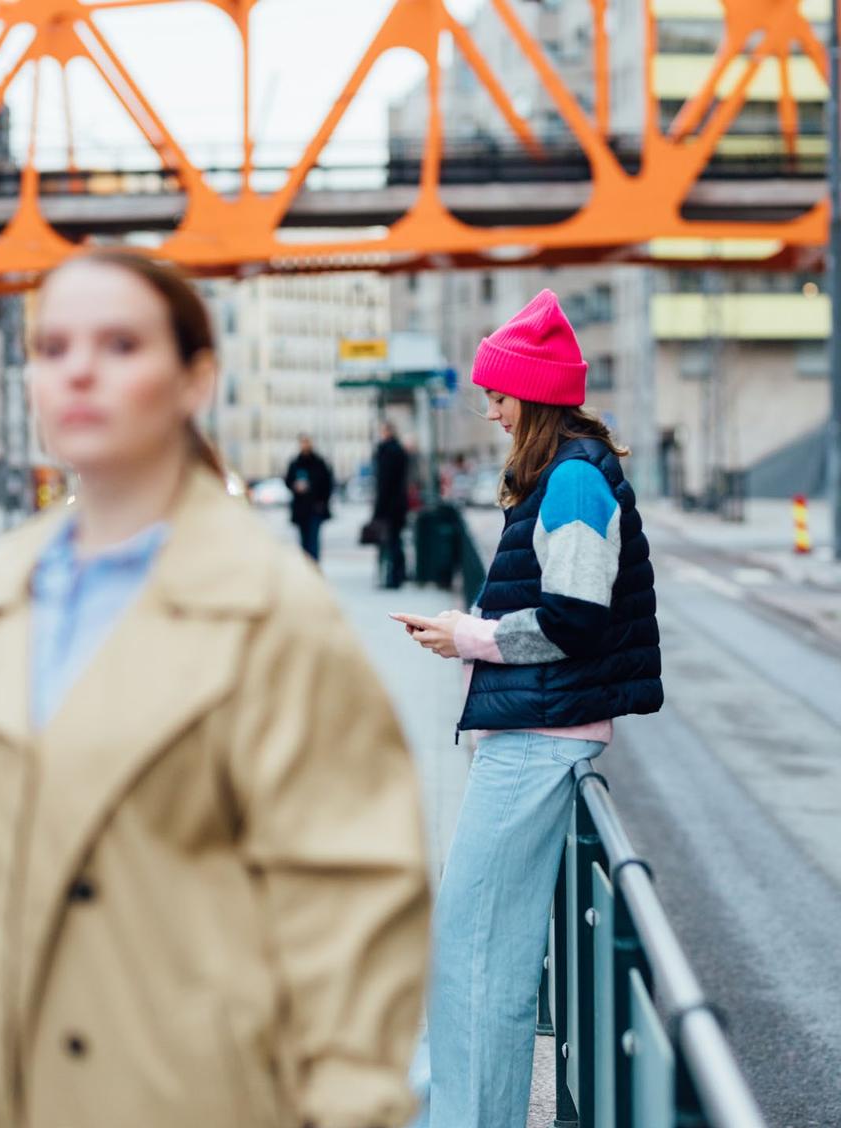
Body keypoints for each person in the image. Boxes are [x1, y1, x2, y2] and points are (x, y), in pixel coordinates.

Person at [0, 251, 431, 1128]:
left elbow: (353, 912)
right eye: (51, 348)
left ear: (197, 379)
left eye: (120, 344)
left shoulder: (275, 613)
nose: (77, 370)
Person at [390, 289, 663, 1128]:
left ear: (537, 397)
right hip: (534, 737)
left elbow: (573, 621)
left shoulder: (574, 481)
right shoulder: (565, 476)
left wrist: (466, 637)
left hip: (539, 742)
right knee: (482, 956)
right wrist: (464, 635)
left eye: (501, 395)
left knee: (471, 958)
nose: (492, 410)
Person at [372, 421, 410, 589]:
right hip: (398, 505)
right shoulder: (398, 450)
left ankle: (393, 578)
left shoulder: (387, 452)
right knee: (396, 541)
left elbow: (384, 484)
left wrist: (378, 510)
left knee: (391, 542)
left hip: (389, 506)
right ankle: (398, 575)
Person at [285, 434, 334, 562]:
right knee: (303, 542)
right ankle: (305, 569)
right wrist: (295, 486)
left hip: (315, 508)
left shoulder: (319, 463)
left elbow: (327, 484)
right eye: (303, 443)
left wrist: (321, 501)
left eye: (307, 442)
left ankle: (314, 568)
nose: (305, 445)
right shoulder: (295, 463)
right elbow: (288, 480)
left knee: (313, 541)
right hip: (301, 509)